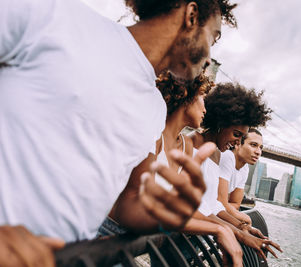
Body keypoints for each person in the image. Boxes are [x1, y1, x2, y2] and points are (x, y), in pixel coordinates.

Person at [0, 0, 237, 265]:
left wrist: (169, 216)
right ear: (191, 15)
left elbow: (129, 203)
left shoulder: (154, 108)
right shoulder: (56, 16)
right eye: (213, 38)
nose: (208, 57)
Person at [99, 72, 243, 266]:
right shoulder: (153, 132)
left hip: (131, 245)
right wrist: (218, 229)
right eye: (202, 97)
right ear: (187, 95)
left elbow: (173, 210)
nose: (205, 108)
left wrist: (229, 230)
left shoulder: (186, 146)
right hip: (104, 237)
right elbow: (137, 205)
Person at [190, 82, 282, 261]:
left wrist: (242, 227)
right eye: (236, 134)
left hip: (195, 237)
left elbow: (212, 205)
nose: (237, 144)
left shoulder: (216, 153)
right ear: (221, 122)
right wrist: (241, 235)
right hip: (177, 239)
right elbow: (194, 208)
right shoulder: (192, 143)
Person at [218, 128, 264, 226]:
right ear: (238, 144)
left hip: (214, 210)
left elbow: (236, 204)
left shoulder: (245, 168)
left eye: (261, 147)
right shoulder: (227, 157)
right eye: (253, 145)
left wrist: (227, 206)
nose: (258, 152)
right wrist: (242, 218)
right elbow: (221, 203)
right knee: (247, 220)